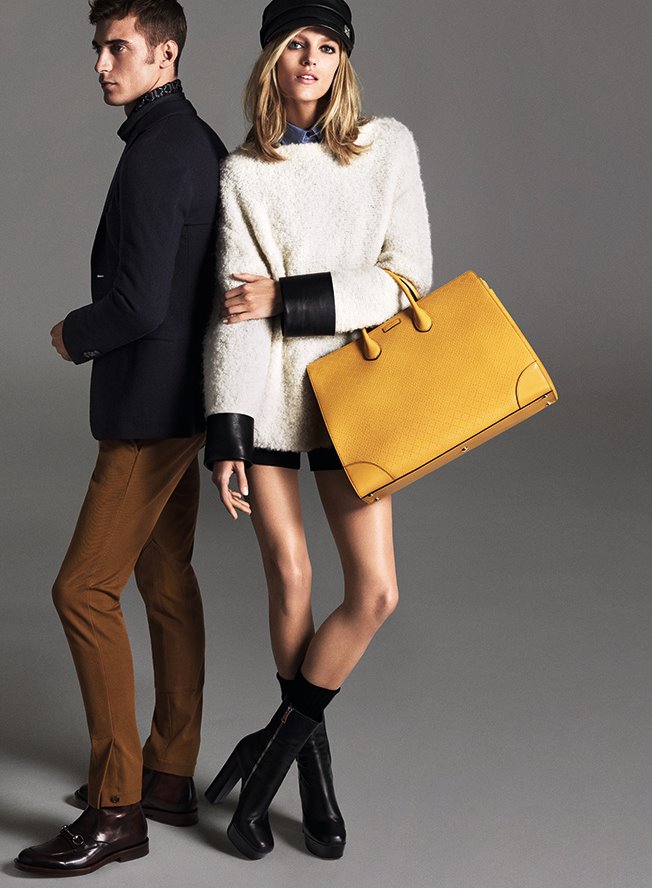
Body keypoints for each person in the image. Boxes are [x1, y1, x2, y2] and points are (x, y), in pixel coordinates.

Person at [202, 0, 432, 861]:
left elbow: (408, 280)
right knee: (291, 573)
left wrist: (293, 298)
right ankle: (312, 779)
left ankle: (266, 760)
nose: (310, 59)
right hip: (268, 392)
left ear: (343, 60)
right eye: (296, 44)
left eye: (326, 46)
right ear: (272, 58)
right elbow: (236, 314)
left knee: (375, 592)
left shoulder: (386, 147)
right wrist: (226, 430)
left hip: (354, 394)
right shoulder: (243, 172)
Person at [15, 0, 227, 876]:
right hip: (183, 401)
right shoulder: (192, 140)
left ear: (165, 54)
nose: (103, 64)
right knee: (166, 577)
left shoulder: (160, 152)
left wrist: (74, 333)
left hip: (148, 412)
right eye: (99, 49)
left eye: (118, 48)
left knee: (82, 590)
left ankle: (117, 808)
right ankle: (169, 773)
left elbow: (139, 304)